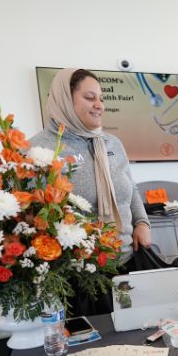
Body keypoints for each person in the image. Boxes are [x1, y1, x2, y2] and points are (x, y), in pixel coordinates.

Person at [30, 68, 152, 315]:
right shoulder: (38, 150)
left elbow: (131, 187)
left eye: (101, 99)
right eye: (89, 98)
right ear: (65, 99)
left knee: (133, 335)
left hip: (126, 261)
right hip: (77, 276)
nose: (99, 105)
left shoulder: (111, 143)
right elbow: (31, 214)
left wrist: (142, 222)